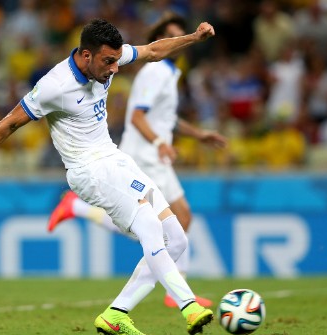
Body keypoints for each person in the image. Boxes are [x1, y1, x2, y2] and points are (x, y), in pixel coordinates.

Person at [0, 18, 216, 335]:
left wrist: (195, 38)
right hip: (90, 171)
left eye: (116, 60)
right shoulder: (54, 86)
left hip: (115, 159)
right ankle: (189, 305)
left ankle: (116, 314)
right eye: (108, 62)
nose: (114, 69)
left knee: (178, 239)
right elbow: (10, 123)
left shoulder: (107, 59)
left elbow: (154, 50)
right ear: (86, 55)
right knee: (151, 228)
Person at [46, 12, 227, 309]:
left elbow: (166, 119)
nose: (177, 39)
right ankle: (177, 292)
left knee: (165, 223)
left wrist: (197, 135)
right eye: (172, 34)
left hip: (157, 154)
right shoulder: (154, 72)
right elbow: (137, 115)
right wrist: (158, 142)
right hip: (145, 154)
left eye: (181, 33)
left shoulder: (170, 73)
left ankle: (170, 289)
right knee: (155, 223)